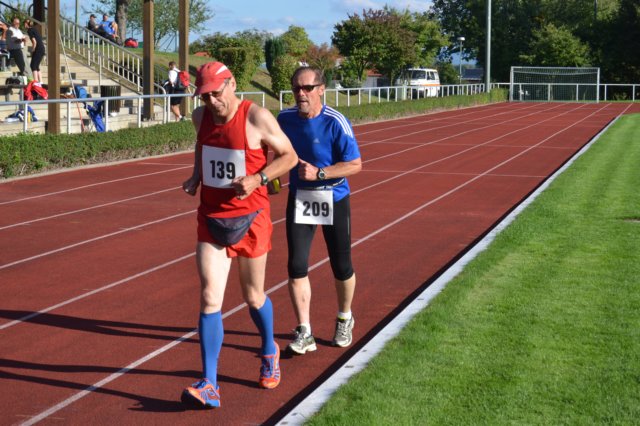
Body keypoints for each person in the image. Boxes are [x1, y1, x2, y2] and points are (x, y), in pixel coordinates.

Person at [181, 61, 298, 408]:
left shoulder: (256, 117)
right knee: (209, 297)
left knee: (253, 296)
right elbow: (203, 146)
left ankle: (269, 349)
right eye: (205, 97)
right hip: (212, 217)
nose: (211, 102)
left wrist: (258, 178)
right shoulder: (200, 117)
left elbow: (289, 156)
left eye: (216, 94)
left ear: (232, 84)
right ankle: (210, 384)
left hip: (251, 218)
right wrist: (196, 175)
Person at [277, 66, 362, 355]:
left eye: (307, 88)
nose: (301, 93)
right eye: (296, 88)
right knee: (296, 265)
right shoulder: (284, 119)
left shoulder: (336, 122)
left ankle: (344, 317)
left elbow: (355, 164)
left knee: (341, 266)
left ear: (321, 89)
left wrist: (320, 173)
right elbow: (275, 149)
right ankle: (304, 330)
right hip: (301, 198)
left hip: (333, 196)